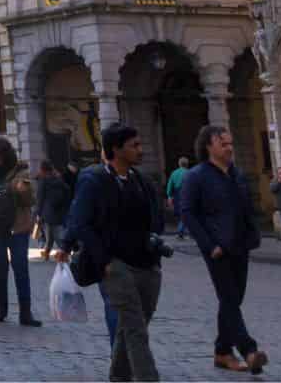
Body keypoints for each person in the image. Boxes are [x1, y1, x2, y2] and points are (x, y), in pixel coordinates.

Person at [61, 123, 165, 382]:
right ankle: (147, 378)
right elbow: (80, 221)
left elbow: (155, 217)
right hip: (114, 263)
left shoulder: (141, 180)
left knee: (136, 321)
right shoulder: (94, 179)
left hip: (146, 262)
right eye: (134, 145)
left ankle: (119, 374)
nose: (140, 150)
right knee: (135, 326)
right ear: (116, 149)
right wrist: (103, 259)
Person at [178, 125, 267, 374]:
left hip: (241, 245)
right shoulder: (196, 176)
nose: (229, 148)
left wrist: (253, 235)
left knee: (233, 300)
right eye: (223, 144)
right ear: (209, 146)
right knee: (229, 298)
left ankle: (222, 352)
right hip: (218, 249)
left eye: (230, 143)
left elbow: (246, 207)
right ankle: (249, 351)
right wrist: (209, 245)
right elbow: (187, 213)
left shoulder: (236, 174)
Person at [0, 137, 41, 327]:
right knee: (0, 268)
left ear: (2, 155)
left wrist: (23, 190)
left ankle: (25, 313)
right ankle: (1, 309)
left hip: (17, 226)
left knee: (21, 268)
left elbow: (30, 201)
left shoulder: (21, 170)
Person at [34, 161, 72, 262]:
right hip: (59, 212)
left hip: (47, 213)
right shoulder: (59, 180)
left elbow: (40, 199)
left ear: (42, 170)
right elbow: (68, 193)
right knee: (51, 234)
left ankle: (64, 252)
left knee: (54, 235)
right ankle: (47, 252)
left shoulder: (43, 181)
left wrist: (37, 213)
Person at [167, 156, 191, 239]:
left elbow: (170, 186)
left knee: (182, 214)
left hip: (177, 195)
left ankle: (181, 232)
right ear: (187, 164)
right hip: (188, 193)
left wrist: (169, 196)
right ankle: (181, 232)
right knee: (188, 213)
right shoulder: (189, 172)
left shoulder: (174, 173)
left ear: (179, 164)